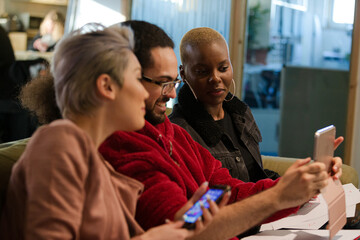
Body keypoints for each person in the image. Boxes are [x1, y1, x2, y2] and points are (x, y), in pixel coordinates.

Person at [99, 20, 341, 239]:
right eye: (162, 83)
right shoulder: (126, 149)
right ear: (116, 83)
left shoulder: (175, 135)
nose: (172, 94)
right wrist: (278, 197)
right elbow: (184, 232)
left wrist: (295, 187)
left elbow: (225, 191)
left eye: (173, 83)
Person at [0, 24, 226, 239]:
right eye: (138, 79)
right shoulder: (60, 142)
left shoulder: (95, 160)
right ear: (106, 86)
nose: (144, 93)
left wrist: (181, 226)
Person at [169, 27, 344, 182]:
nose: (215, 78)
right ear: (183, 74)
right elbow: (205, 201)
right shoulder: (178, 133)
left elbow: (254, 175)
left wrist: (311, 173)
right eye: (202, 71)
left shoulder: (241, 114)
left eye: (223, 68)